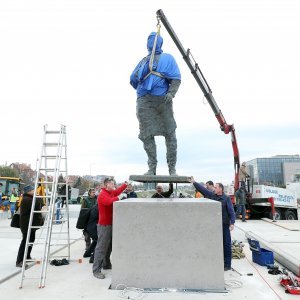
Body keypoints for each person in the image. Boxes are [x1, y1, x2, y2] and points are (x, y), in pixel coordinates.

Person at [130, 31, 181, 176]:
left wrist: (171, 93)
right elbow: (133, 79)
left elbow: (176, 78)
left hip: (162, 102)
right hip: (144, 101)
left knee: (170, 133)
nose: (151, 43)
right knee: (146, 135)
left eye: (154, 40)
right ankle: (152, 168)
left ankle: (172, 169)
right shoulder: (143, 61)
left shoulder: (168, 58)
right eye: (149, 40)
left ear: (160, 43)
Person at [189, 177, 235, 271]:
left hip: (224, 225)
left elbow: (231, 211)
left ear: (221, 189)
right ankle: (216, 261)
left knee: (226, 244)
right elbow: (203, 190)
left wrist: (232, 223)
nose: (214, 188)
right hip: (214, 225)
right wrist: (194, 182)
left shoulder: (226, 198)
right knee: (214, 244)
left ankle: (227, 265)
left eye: (216, 187)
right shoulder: (212, 195)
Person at [93, 177, 128, 279]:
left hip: (110, 224)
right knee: (101, 248)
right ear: (106, 185)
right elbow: (109, 202)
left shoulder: (110, 192)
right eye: (112, 184)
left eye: (113, 184)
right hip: (104, 225)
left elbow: (117, 191)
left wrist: (125, 184)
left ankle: (106, 264)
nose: (114, 185)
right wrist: (119, 198)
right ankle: (96, 270)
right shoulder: (102, 195)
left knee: (109, 247)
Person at [16, 185, 44, 268]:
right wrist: (39, 197)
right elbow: (37, 206)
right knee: (25, 241)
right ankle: (19, 261)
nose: (35, 191)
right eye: (33, 190)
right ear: (28, 191)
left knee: (31, 240)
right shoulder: (27, 199)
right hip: (26, 224)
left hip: (31, 224)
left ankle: (27, 256)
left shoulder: (30, 198)